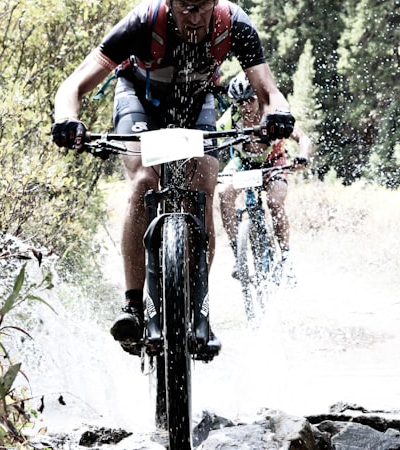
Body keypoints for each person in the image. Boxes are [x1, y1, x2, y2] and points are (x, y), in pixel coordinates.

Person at [51, 0, 295, 356]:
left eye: (202, 8)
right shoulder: (142, 22)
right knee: (143, 183)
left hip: (196, 104)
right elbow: (73, 85)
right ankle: (134, 306)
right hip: (140, 99)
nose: (194, 18)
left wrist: (279, 113)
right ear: (169, 3)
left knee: (205, 182)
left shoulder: (233, 24)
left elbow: (269, 91)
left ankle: (200, 308)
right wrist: (66, 118)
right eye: (185, 8)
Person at [217, 72, 313, 285]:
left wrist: (302, 157)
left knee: (274, 202)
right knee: (224, 193)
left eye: (250, 100)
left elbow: (303, 138)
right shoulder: (229, 119)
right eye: (240, 102)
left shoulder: (272, 114)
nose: (246, 106)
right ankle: (237, 256)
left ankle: (285, 258)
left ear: (258, 98)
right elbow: (209, 142)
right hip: (243, 165)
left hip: (274, 164)